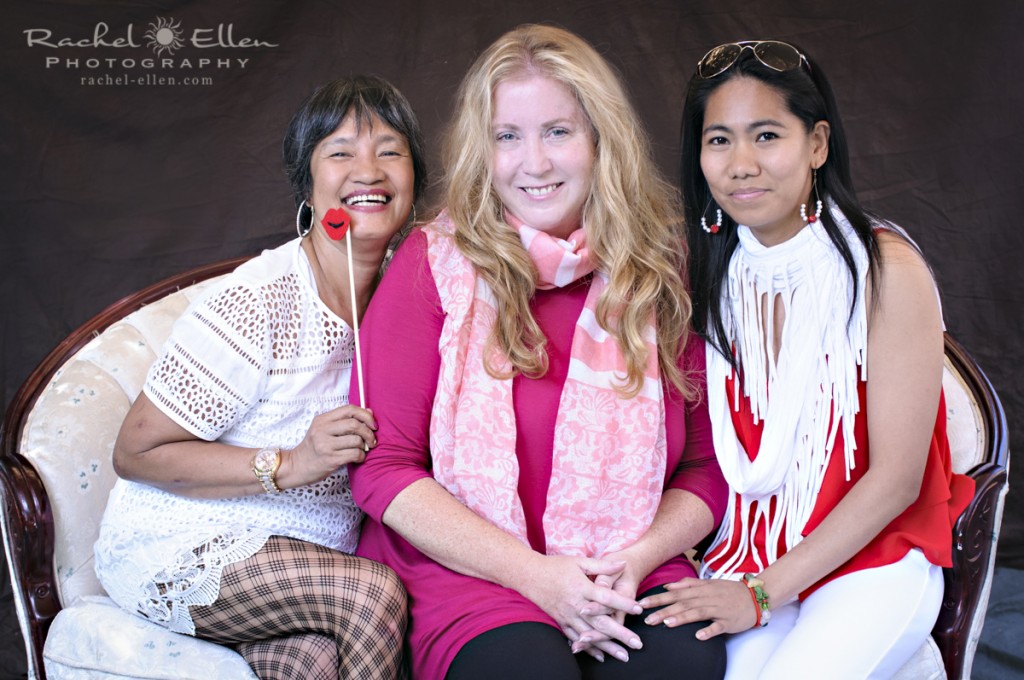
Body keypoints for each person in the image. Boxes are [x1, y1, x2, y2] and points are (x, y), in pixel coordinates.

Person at [348, 24, 728, 680]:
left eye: (558, 131)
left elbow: (703, 467)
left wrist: (629, 567)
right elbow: (382, 468)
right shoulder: (432, 265)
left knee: (676, 665)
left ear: (600, 140)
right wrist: (539, 579)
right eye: (508, 136)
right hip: (473, 569)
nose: (536, 163)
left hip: (624, 556)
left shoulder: (660, 267)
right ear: (481, 150)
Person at [638, 41, 976, 678]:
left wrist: (762, 594)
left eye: (766, 135)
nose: (741, 164)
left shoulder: (884, 271)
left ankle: (904, 651)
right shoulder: (705, 276)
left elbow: (898, 479)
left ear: (817, 144)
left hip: (871, 559)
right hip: (749, 555)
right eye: (719, 141)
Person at [94, 74, 428, 680]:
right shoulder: (257, 301)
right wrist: (291, 463)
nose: (369, 169)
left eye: (390, 150)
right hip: (190, 537)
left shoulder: (417, 293)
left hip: (314, 557)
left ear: (414, 178)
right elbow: (135, 452)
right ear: (307, 182)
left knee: (316, 664)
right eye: (341, 152)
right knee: (371, 597)